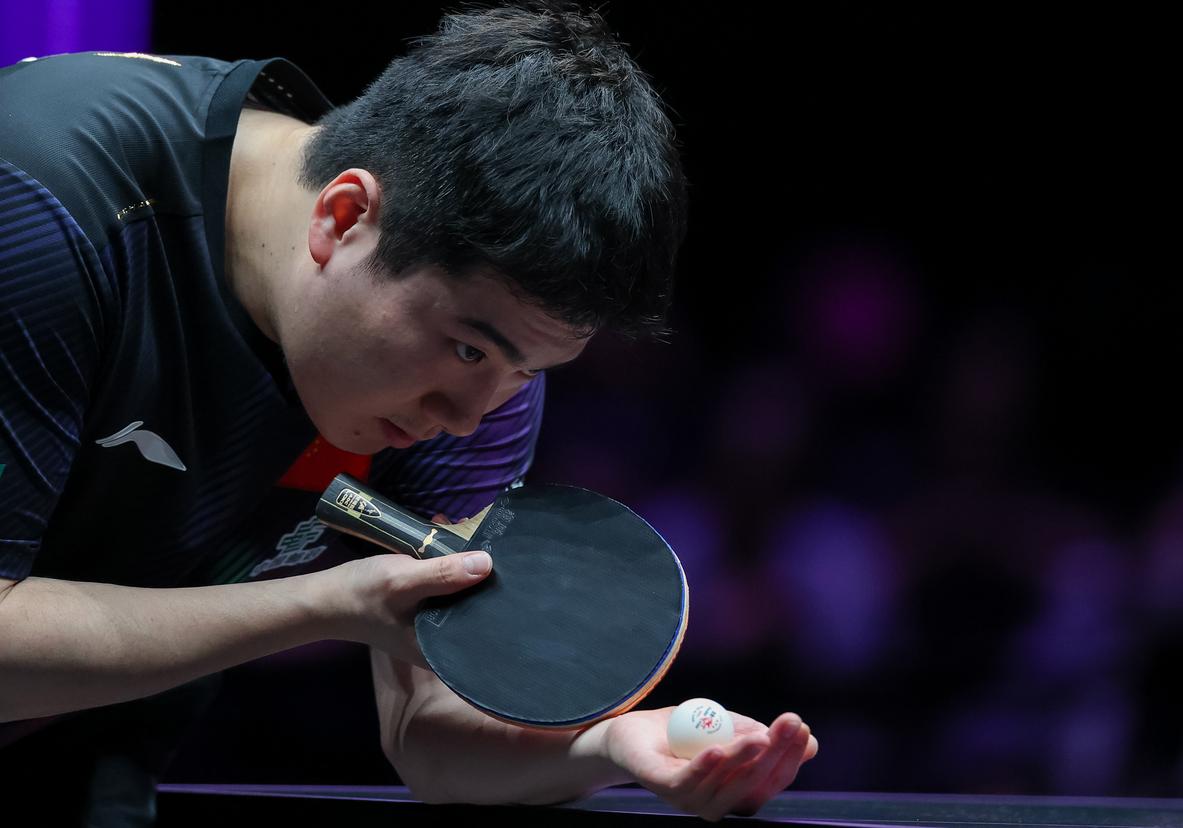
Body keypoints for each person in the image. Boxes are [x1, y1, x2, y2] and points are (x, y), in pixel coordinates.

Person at [0, 1, 816, 823]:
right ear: (344, 217)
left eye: (528, 371)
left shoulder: (485, 363)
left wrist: (604, 749)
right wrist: (326, 606)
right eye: (469, 350)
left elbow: (428, 732)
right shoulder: (39, 207)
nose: (470, 418)